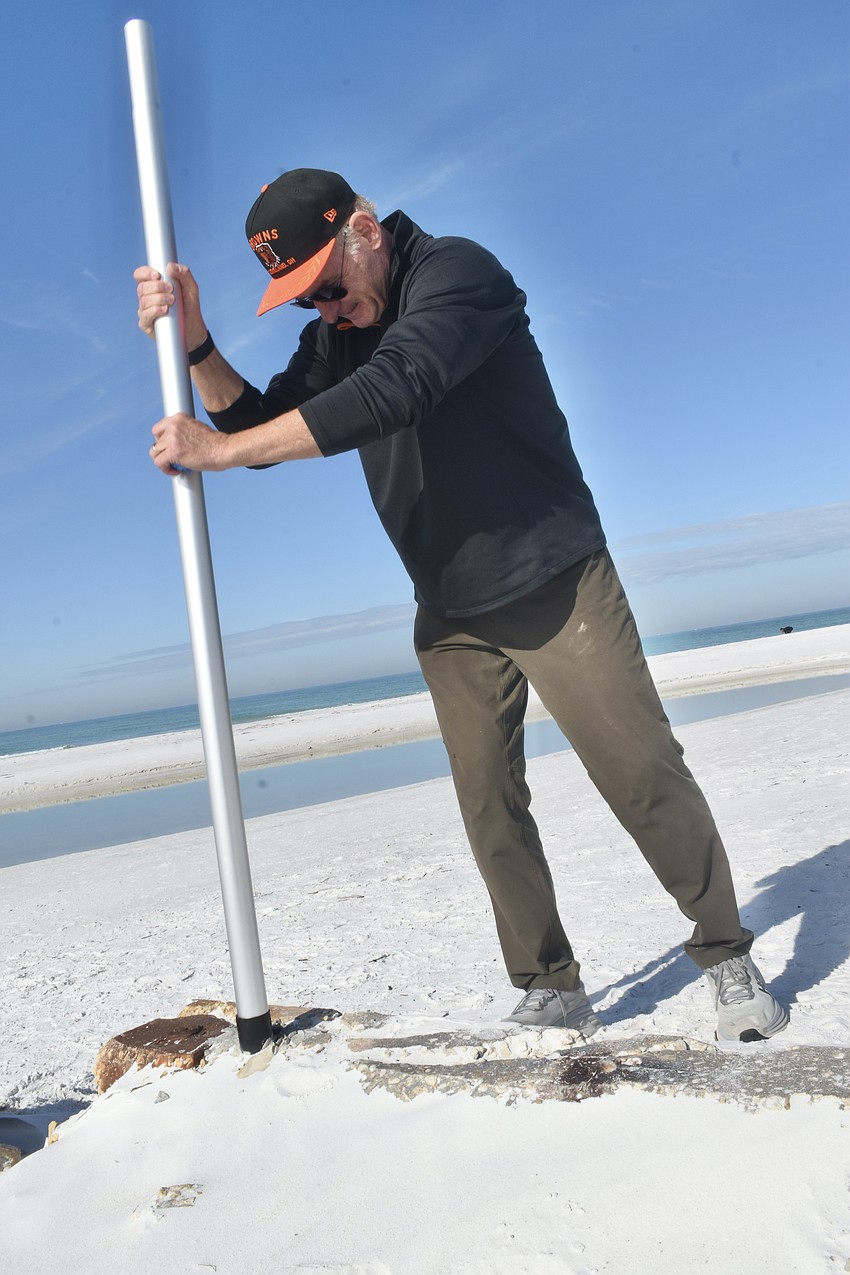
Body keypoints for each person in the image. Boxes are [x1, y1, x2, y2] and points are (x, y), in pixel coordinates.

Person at [135, 168, 789, 1043]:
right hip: (447, 604)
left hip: (554, 576)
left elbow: (392, 391)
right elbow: (260, 426)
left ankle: (725, 953)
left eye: (325, 287)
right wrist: (198, 342)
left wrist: (214, 450)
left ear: (364, 229)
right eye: (304, 303)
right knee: (488, 802)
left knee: (640, 775)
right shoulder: (339, 331)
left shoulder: (458, 276)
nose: (324, 313)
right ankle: (550, 983)